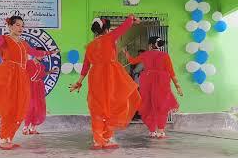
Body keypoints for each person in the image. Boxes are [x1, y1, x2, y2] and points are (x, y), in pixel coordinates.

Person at [0, 16, 59, 150]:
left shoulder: (23, 43)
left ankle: (9, 138)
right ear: (10, 26)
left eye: (22, 26)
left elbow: (35, 52)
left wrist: (50, 52)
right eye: (18, 25)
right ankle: (3, 139)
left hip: (21, 77)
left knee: (18, 107)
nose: (21, 28)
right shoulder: (5, 39)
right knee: (8, 107)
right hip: (9, 75)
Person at [69, 15, 142, 150]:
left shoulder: (90, 46)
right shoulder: (109, 37)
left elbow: (86, 65)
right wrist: (132, 18)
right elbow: (123, 27)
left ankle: (98, 140)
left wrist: (79, 82)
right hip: (110, 75)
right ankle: (107, 138)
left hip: (95, 77)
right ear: (107, 29)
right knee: (112, 104)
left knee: (98, 106)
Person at [123, 36, 183, 139]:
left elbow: (132, 61)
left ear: (150, 45)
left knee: (148, 105)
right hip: (162, 82)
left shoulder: (145, 54)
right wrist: (178, 87)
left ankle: (152, 131)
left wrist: (126, 52)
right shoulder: (165, 56)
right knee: (161, 106)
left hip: (147, 81)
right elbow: (171, 73)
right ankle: (160, 131)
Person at [22, 47, 58, 135]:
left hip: (39, 88)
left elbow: (42, 74)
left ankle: (33, 128)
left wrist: (50, 72)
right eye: (40, 54)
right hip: (30, 87)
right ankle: (25, 127)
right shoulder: (27, 63)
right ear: (35, 54)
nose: (42, 57)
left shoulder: (41, 66)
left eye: (43, 55)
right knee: (30, 107)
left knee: (38, 108)